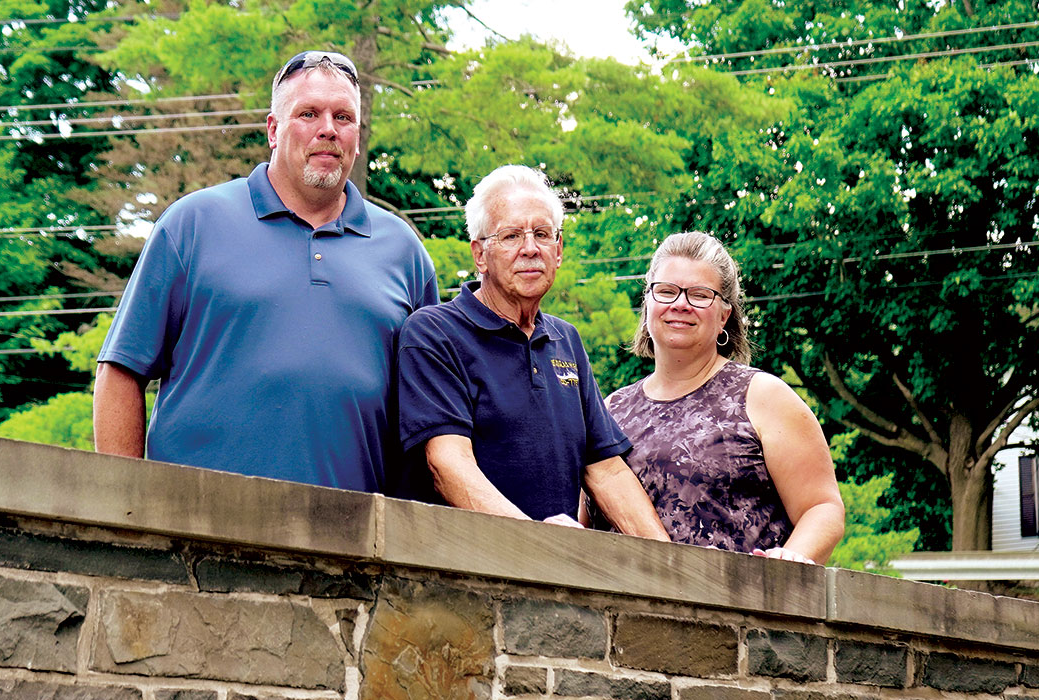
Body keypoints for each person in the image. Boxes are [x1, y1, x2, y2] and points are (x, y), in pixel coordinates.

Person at [91, 50, 440, 492]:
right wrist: (125, 506)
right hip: (197, 531)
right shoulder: (193, 224)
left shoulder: (403, 251)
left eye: (343, 117)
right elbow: (121, 372)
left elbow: (432, 413)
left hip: (354, 539)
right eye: (308, 113)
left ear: (357, 134)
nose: (327, 129)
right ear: (273, 130)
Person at [395, 165, 669, 541]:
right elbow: (447, 463)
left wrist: (671, 563)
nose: (530, 249)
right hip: (458, 578)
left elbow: (606, 470)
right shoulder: (434, 332)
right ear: (480, 254)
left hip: (549, 579)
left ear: (558, 251)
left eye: (542, 234)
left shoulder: (566, 341)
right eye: (510, 235)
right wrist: (536, 541)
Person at [604, 232, 844, 563]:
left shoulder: (763, 397)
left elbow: (823, 507)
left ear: (724, 316)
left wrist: (791, 560)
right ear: (647, 304)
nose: (680, 304)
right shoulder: (610, 411)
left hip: (739, 607)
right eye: (666, 291)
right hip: (620, 608)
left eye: (700, 295)